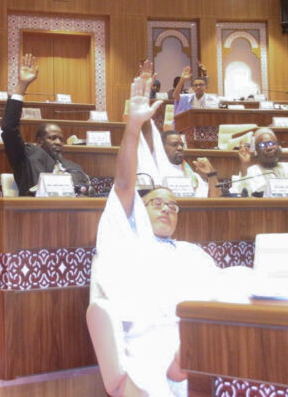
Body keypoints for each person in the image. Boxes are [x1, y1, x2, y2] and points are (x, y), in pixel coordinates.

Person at [91, 73, 230, 397]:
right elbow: (124, 185)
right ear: (140, 210)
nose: (167, 209)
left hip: (205, 338)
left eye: (173, 205)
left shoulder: (191, 251)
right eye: (157, 203)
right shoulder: (127, 238)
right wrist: (133, 128)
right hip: (155, 346)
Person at [1, 53, 89, 196]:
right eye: (52, 138)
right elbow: (9, 129)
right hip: (35, 209)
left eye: (61, 139)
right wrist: (22, 85)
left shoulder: (74, 168)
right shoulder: (27, 157)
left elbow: (86, 194)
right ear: (40, 141)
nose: (58, 142)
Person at [134, 61, 221, 198]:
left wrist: (212, 174)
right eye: (175, 145)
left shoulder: (193, 174)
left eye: (181, 144)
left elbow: (214, 202)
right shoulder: (156, 168)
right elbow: (145, 131)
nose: (180, 148)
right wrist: (144, 99)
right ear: (161, 148)